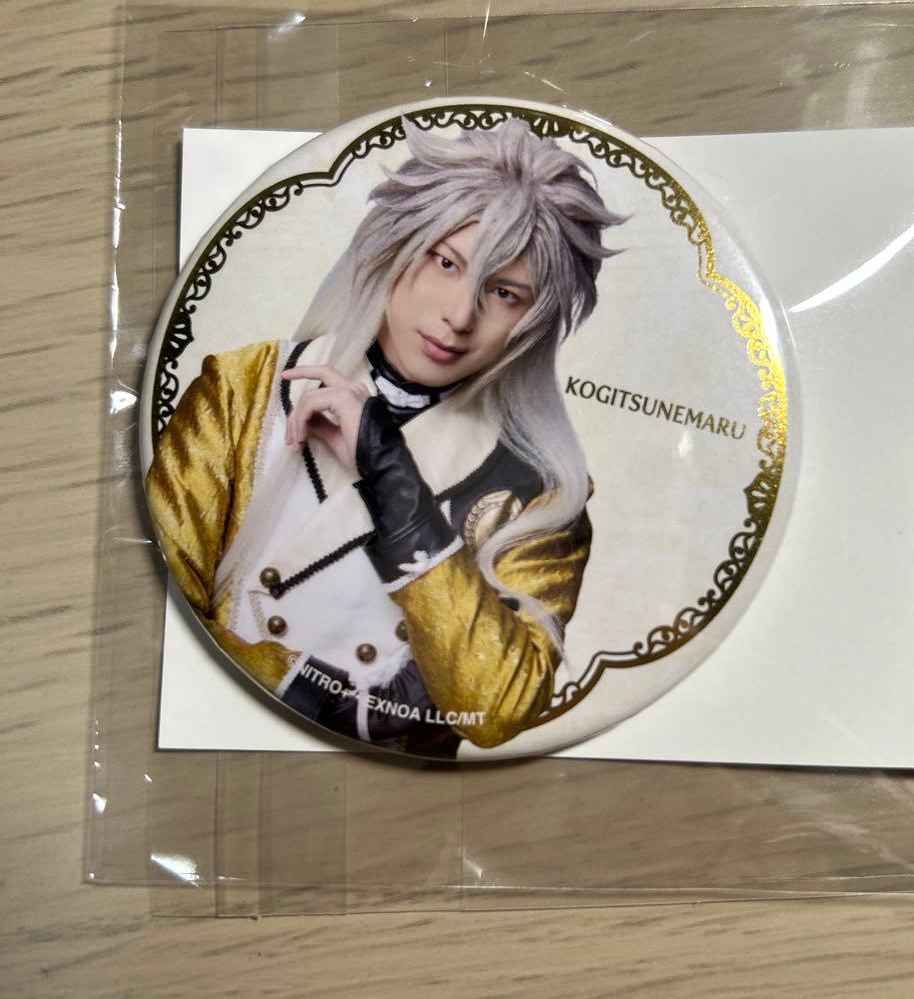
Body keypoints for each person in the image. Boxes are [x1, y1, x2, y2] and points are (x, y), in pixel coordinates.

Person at [146, 117, 623, 758]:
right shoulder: (245, 388)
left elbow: (499, 710)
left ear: (533, 323)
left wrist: (394, 482)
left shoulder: (543, 491)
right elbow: (159, 609)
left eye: (505, 293)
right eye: (446, 262)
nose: (460, 316)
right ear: (394, 246)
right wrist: (300, 689)